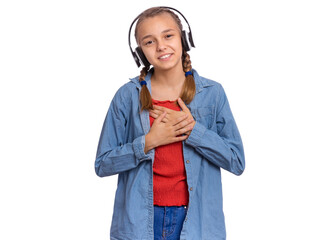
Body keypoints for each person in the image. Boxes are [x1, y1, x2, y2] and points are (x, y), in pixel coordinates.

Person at [95, 6, 245, 240]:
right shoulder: (126, 96)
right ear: (140, 52)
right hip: (139, 223)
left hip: (198, 223)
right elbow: (102, 164)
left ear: (183, 38)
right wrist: (147, 142)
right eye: (149, 42)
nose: (161, 46)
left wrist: (194, 131)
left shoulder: (213, 93)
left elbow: (236, 161)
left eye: (168, 36)